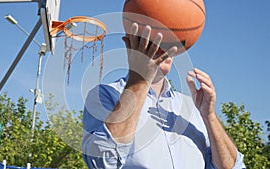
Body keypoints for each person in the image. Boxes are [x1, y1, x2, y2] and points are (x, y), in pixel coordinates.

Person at [82, 22, 246, 168]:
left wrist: (209, 116)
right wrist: (139, 80)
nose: (163, 45)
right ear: (131, 44)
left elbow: (233, 167)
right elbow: (101, 162)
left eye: (170, 40)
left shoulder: (191, 106)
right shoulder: (104, 95)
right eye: (154, 38)